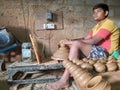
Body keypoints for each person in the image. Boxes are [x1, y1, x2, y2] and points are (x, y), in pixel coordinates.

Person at [47, 3, 120, 90]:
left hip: (106, 53)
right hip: (97, 50)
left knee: (76, 44)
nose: (95, 14)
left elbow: (93, 41)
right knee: (73, 45)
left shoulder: (109, 23)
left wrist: (72, 42)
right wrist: (70, 40)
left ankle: (64, 80)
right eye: (94, 12)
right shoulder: (97, 26)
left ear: (106, 13)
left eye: (98, 11)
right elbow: (85, 38)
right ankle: (72, 74)